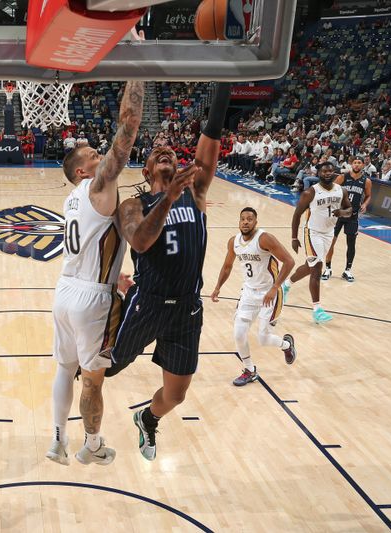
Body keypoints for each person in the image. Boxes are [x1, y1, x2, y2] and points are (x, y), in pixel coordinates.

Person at [105, 82, 231, 461]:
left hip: (187, 310)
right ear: (146, 170)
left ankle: (147, 418)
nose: (165, 151)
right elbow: (139, 242)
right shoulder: (133, 203)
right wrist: (167, 200)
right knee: (106, 369)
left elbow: (211, 134)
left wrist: (226, 81)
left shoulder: (197, 191)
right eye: (156, 152)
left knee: (176, 395)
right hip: (150, 304)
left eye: (170, 152)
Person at [47, 81, 145, 468]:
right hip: (91, 301)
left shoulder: (71, 199)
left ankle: (57, 440)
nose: (101, 153)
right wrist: (135, 69)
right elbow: (128, 127)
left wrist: (112, 274)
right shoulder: (98, 184)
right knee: (92, 379)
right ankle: (93, 443)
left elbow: (93, 242)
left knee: (63, 368)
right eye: (94, 154)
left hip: (66, 289)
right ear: (84, 170)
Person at [210, 207, 297, 386]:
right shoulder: (234, 242)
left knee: (263, 339)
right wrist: (218, 286)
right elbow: (227, 266)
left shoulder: (265, 238)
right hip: (248, 292)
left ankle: (287, 345)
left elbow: (289, 261)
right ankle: (250, 370)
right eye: (243, 219)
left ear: (256, 222)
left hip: (269, 293)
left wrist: (275, 287)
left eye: (250, 219)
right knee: (239, 334)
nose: (246, 222)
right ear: (239, 221)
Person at [282, 162, 352, 323]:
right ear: (318, 173)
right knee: (317, 268)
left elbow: (349, 210)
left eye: (330, 171)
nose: (327, 173)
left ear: (334, 173)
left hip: (329, 233)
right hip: (312, 233)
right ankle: (317, 309)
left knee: (310, 266)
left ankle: (285, 285)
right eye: (324, 171)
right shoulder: (310, 192)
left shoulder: (341, 190)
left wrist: (342, 212)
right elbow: (297, 214)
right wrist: (294, 237)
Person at [323, 158, 372, 282]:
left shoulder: (366, 181)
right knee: (331, 242)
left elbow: (368, 195)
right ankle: (328, 268)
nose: (357, 164)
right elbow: (331, 190)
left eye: (359, 162)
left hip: (353, 216)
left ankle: (347, 270)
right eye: (355, 162)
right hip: (338, 215)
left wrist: (365, 204)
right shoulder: (342, 177)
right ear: (351, 165)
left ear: (363, 165)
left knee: (351, 244)